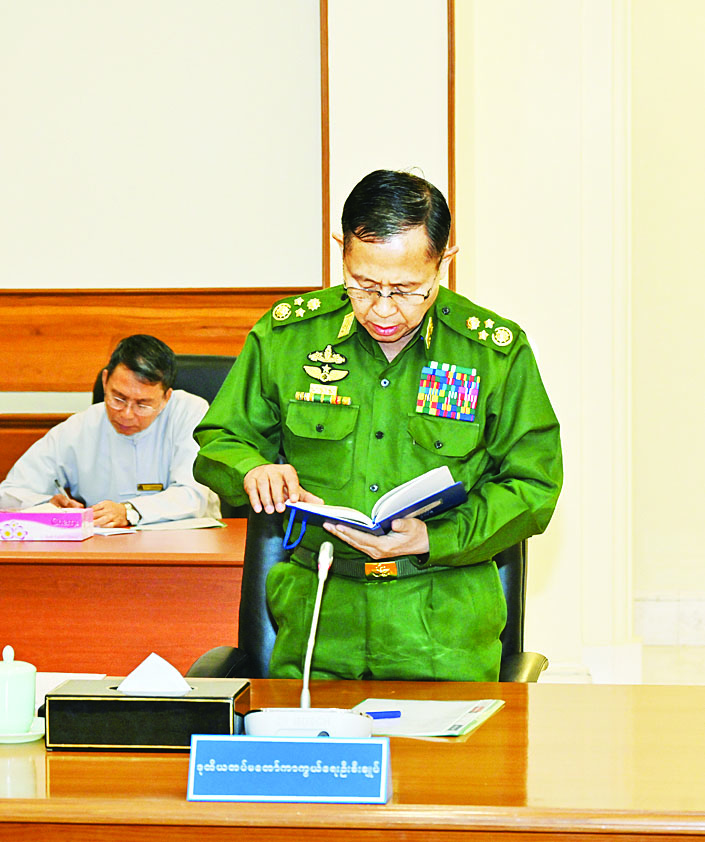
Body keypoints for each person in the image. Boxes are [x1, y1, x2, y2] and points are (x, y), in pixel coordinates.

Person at [194, 169, 562, 681]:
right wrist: (252, 469)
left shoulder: (490, 353)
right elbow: (220, 439)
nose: (383, 310)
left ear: (444, 262)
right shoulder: (290, 336)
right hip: (318, 622)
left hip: (442, 626)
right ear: (340, 250)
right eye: (363, 285)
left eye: (408, 289)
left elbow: (534, 482)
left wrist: (433, 538)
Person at [0, 334, 220, 527]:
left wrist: (129, 511)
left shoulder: (189, 412)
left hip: (185, 547)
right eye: (118, 398)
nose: (127, 414)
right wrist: (46, 505)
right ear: (105, 382)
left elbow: (193, 496)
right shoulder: (80, 427)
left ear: (166, 398)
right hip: (106, 549)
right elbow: (10, 493)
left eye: (142, 404)